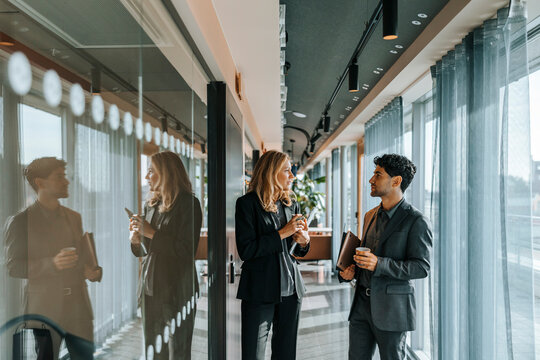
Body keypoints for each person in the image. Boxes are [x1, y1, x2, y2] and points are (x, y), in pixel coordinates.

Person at [339, 154, 432, 360]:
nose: (371, 180)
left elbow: (421, 267)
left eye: (377, 175)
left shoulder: (417, 221)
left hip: (392, 311)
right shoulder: (369, 215)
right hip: (361, 305)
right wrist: (351, 271)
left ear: (396, 181)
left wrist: (379, 264)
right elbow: (365, 255)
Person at [4, 157, 98, 359]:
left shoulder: (74, 217)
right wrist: (52, 263)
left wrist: (91, 270)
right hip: (45, 311)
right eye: (59, 177)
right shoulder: (19, 222)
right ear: (40, 182)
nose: (66, 181)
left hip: (79, 308)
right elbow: (13, 266)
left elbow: (81, 259)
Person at [235, 150, 311, 360]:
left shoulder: (290, 204)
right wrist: (282, 233)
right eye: (287, 171)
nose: (292, 176)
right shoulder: (247, 204)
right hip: (259, 290)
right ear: (270, 173)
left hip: (291, 290)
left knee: (286, 354)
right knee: (253, 354)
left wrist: (304, 241)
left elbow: (296, 251)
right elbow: (246, 250)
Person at [130, 151, 202, 360]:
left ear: (166, 174)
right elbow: (145, 250)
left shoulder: (189, 205)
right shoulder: (150, 205)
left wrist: (151, 233)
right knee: (153, 351)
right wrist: (136, 240)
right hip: (151, 290)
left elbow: (186, 251)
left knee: (179, 352)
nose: (146, 177)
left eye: (151, 171)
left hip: (179, 290)